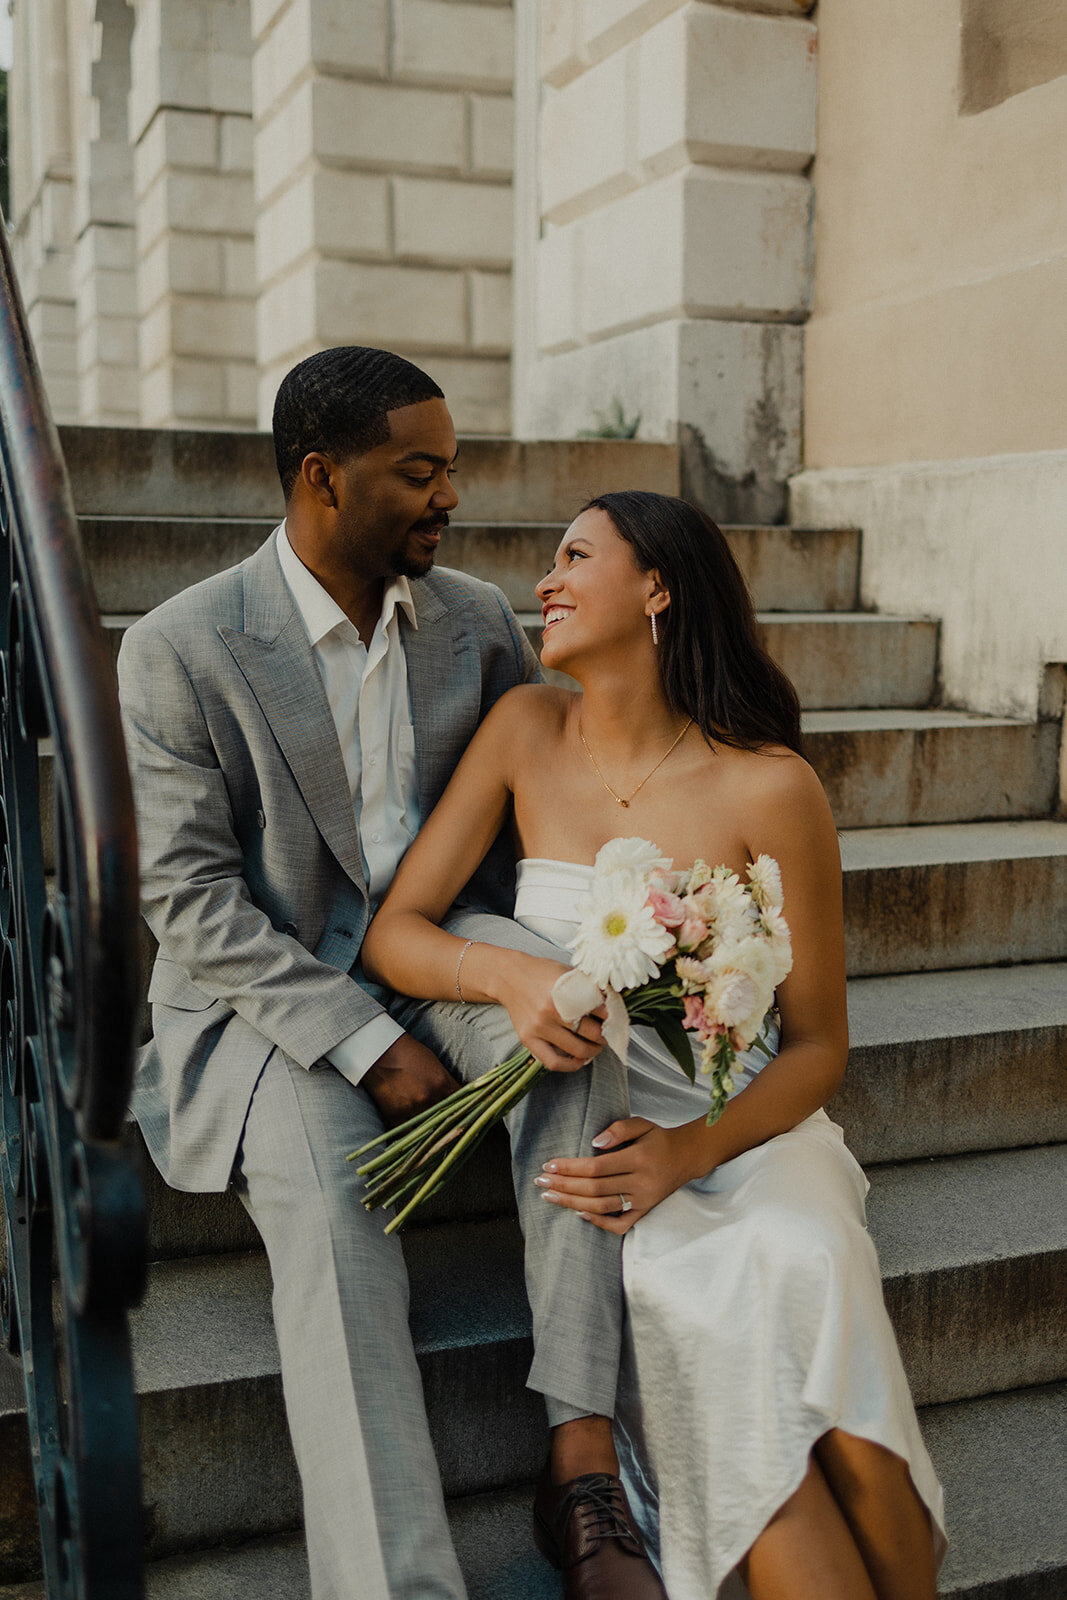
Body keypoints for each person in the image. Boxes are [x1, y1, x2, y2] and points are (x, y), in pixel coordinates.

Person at [117, 349, 667, 1600]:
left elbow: (548, 804)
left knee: (584, 1024)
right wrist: (362, 1043)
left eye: (452, 470)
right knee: (331, 1208)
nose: (449, 498)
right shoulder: (180, 648)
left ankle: (579, 1467)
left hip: (433, 947)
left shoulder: (472, 620)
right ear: (322, 477)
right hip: (268, 1002)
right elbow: (192, 901)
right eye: (418, 473)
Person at [362, 490, 949, 1600]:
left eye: (574, 554)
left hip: (747, 1133)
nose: (543, 580)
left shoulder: (770, 786)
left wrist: (693, 1152)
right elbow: (395, 930)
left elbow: (818, 1045)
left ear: (657, 587)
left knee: (806, 1263)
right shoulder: (523, 731)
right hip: (606, 1141)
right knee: (719, 1345)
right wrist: (510, 973)